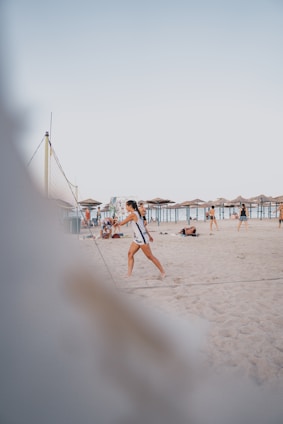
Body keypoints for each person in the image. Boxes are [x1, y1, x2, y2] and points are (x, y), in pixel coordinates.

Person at [114, 200, 165, 278]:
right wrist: (150, 235)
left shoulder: (133, 214)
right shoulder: (136, 213)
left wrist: (116, 222)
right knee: (130, 254)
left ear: (129, 206)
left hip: (142, 238)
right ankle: (129, 274)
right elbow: (143, 226)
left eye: (126, 206)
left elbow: (123, 223)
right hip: (137, 238)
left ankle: (163, 272)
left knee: (150, 256)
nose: (125, 207)